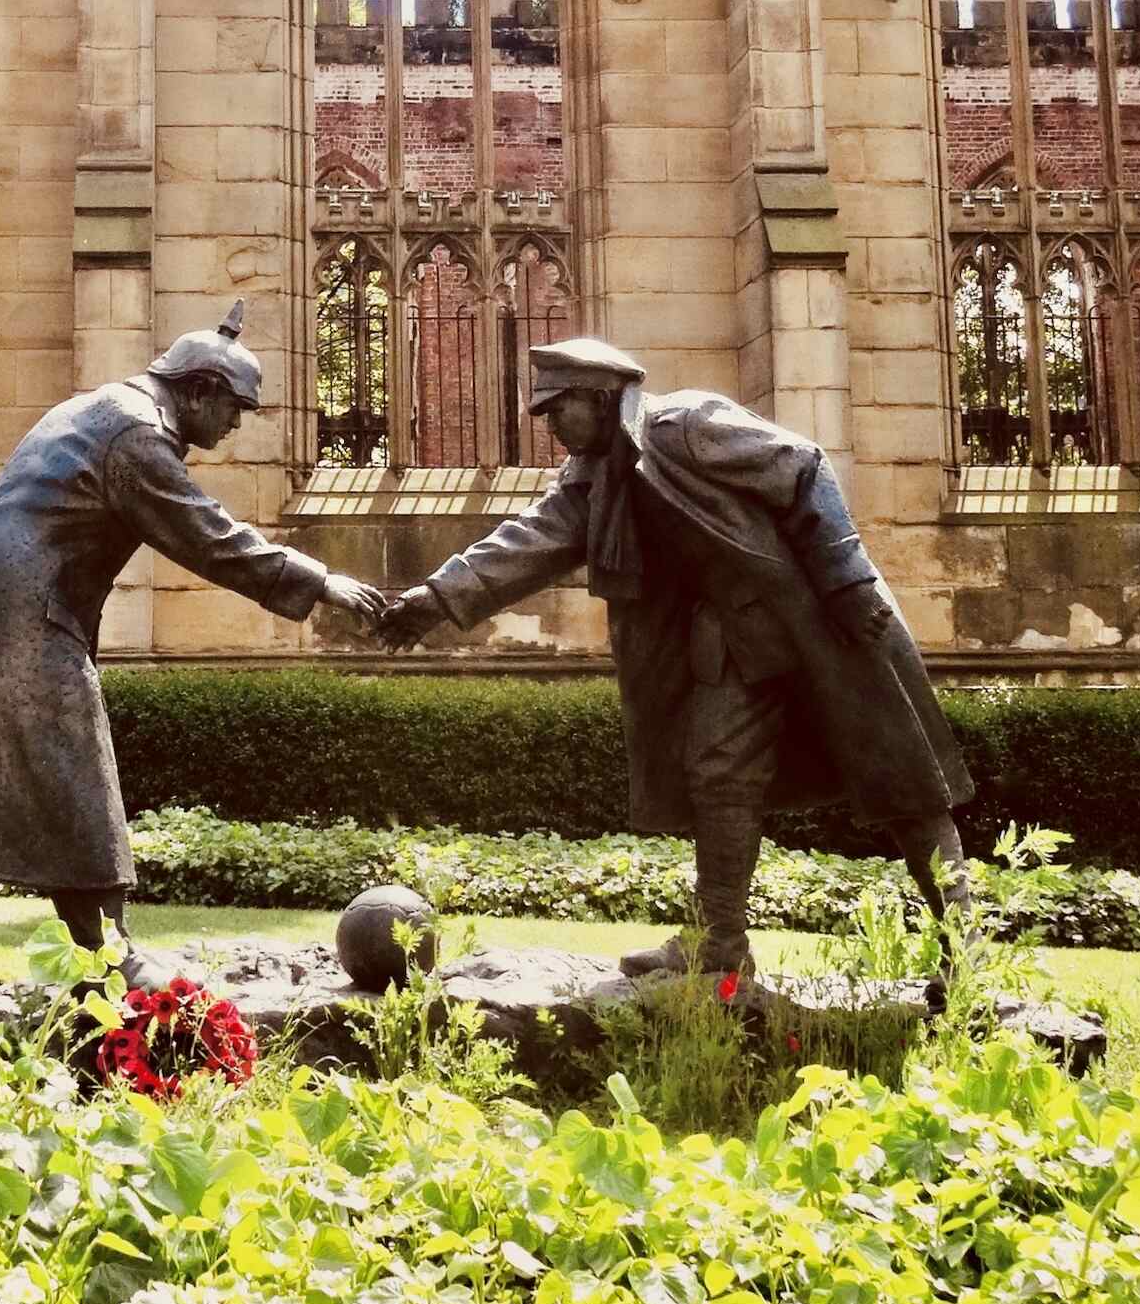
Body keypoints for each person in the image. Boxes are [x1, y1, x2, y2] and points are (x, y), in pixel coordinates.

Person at [0, 303, 386, 1005]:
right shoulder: (137, 435)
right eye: (234, 409)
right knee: (72, 770)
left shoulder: (98, 406)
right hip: (25, 609)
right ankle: (108, 956)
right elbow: (206, 535)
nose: (235, 428)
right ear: (200, 389)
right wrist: (320, 580)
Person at [376, 337, 976, 977]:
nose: (550, 427)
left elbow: (804, 464)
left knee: (905, 783)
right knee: (717, 773)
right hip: (734, 639)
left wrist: (850, 582)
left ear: (600, 398)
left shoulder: (685, 424)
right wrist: (433, 600)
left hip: (821, 620)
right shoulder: (592, 477)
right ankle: (719, 943)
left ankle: (964, 953)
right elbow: (526, 543)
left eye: (557, 410)